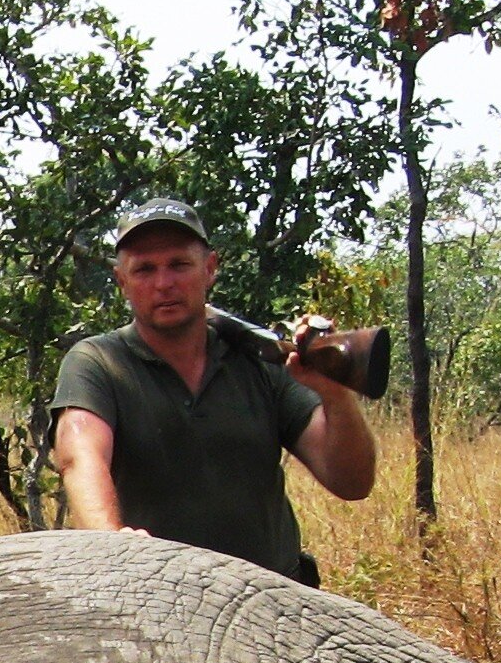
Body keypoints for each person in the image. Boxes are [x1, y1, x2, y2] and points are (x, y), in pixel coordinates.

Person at [50, 197, 376, 581]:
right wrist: (112, 543)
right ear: (122, 282)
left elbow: (352, 483)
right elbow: (80, 456)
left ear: (210, 269)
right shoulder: (98, 362)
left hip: (274, 597)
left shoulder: (260, 359)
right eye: (144, 269)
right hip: (153, 593)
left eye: (179, 264)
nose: (163, 283)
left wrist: (334, 393)